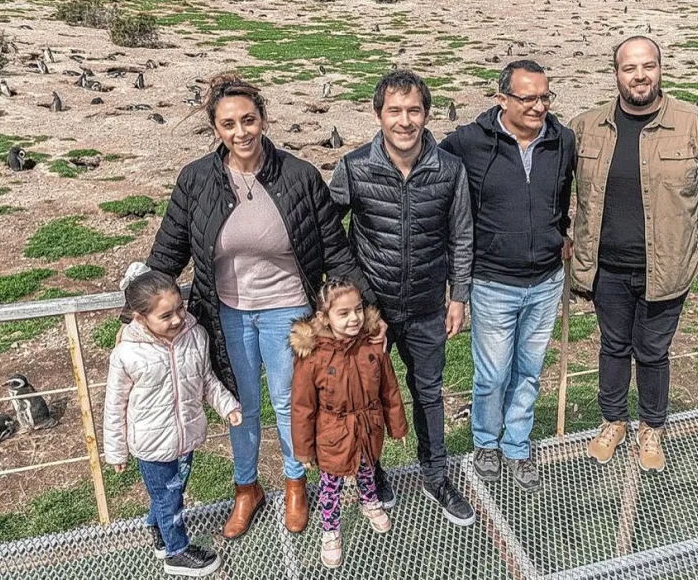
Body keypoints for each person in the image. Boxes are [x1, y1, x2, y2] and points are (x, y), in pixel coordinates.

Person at [145, 75, 375, 540]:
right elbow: (168, 252)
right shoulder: (196, 180)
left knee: (292, 402)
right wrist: (140, 311)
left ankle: (295, 482)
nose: (241, 132)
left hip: (288, 311)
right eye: (228, 123)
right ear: (216, 129)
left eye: (248, 120)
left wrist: (365, 311)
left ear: (263, 120)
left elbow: (334, 247)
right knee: (240, 406)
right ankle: (246, 489)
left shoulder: (299, 176)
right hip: (226, 310)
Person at [570, 36, 698, 473]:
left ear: (660, 69)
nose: (640, 76)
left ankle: (652, 426)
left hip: (667, 269)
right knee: (612, 346)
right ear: (616, 74)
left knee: (652, 351)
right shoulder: (586, 126)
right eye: (630, 68)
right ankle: (613, 421)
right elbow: (551, 187)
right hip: (606, 269)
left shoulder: (695, 125)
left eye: (648, 66)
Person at [329, 70, 476, 525]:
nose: (405, 121)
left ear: (426, 114)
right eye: (395, 110)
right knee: (366, 398)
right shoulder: (354, 167)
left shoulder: (449, 169)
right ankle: (373, 475)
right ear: (379, 115)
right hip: (372, 313)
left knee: (428, 394)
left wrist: (459, 295)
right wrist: (352, 296)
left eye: (413, 110)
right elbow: (328, 232)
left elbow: (462, 235)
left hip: (429, 305)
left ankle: (436, 475)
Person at [440, 60, 575, 492]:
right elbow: (426, 168)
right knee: (493, 374)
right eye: (528, 97)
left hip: (547, 280)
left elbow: (569, 194)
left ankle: (517, 445)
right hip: (493, 281)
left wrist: (564, 233)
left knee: (529, 371)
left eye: (545, 97)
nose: (539, 106)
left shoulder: (563, 140)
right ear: (502, 99)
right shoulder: (468, 142)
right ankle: (485, 443)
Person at [104, 262, 242, 577]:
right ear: (140, 318)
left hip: (185, 435)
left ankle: (156, 528)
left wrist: (227, 406)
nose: (178, 319)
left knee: (172, 490)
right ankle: (176, 552)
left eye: (179, 309)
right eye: (166, 316)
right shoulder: (127, 354)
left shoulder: (195, 336)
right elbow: (115, 405)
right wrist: (116, 451)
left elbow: (207, 380)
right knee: (169, 497)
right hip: (151, 444)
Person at [290, 277, 408, 568]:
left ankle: (369, 500)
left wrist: (397, 425)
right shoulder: (312, 357)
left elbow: (389, 390)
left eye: (357, 310)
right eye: (343, 313)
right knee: (330, 487)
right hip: (332, 434)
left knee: (367, 467)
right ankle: (330, 530)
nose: (353, 318)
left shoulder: (372, 346)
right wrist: (304, 451)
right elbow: (302, 407)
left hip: (368, 427)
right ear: (323, 317)